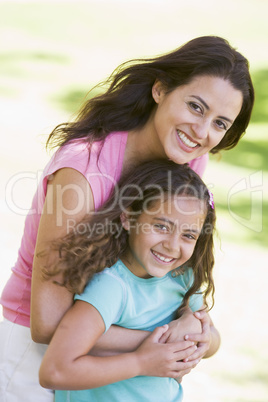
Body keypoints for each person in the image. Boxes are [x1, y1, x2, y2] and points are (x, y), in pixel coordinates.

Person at [0, 35, 254, 402]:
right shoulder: (83, 172)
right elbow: (47, 324)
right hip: (34, 357)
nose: (202, 133)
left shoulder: (186, 160)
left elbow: (175, 276)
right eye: (196, 107)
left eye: (220, 123)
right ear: (160, 89)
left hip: (116, 363)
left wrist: (189, 329)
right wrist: (163, 345)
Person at [39, 160, 220, 402]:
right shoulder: (112, 287)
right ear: (128, 218)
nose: (172, 245)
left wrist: (198, 331)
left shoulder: (182, 278)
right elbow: (55, 371)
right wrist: (141, 362)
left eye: (188, 235)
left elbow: (214, 340)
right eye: (161, 226)